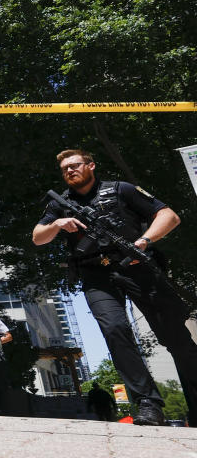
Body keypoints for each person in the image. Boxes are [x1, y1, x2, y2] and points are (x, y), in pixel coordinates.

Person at [32, 148, 196, 426]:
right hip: (96, 275)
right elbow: (38, 237)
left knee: (176, 338)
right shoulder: (60, 203)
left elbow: (169, 216)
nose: (70, 171)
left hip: (137, 268)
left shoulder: (122, 190)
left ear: (91, 165)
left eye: (75, 165)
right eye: (65, 169)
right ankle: (148, 404)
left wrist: (143, 241)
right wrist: (58, 223)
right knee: (114, 329)